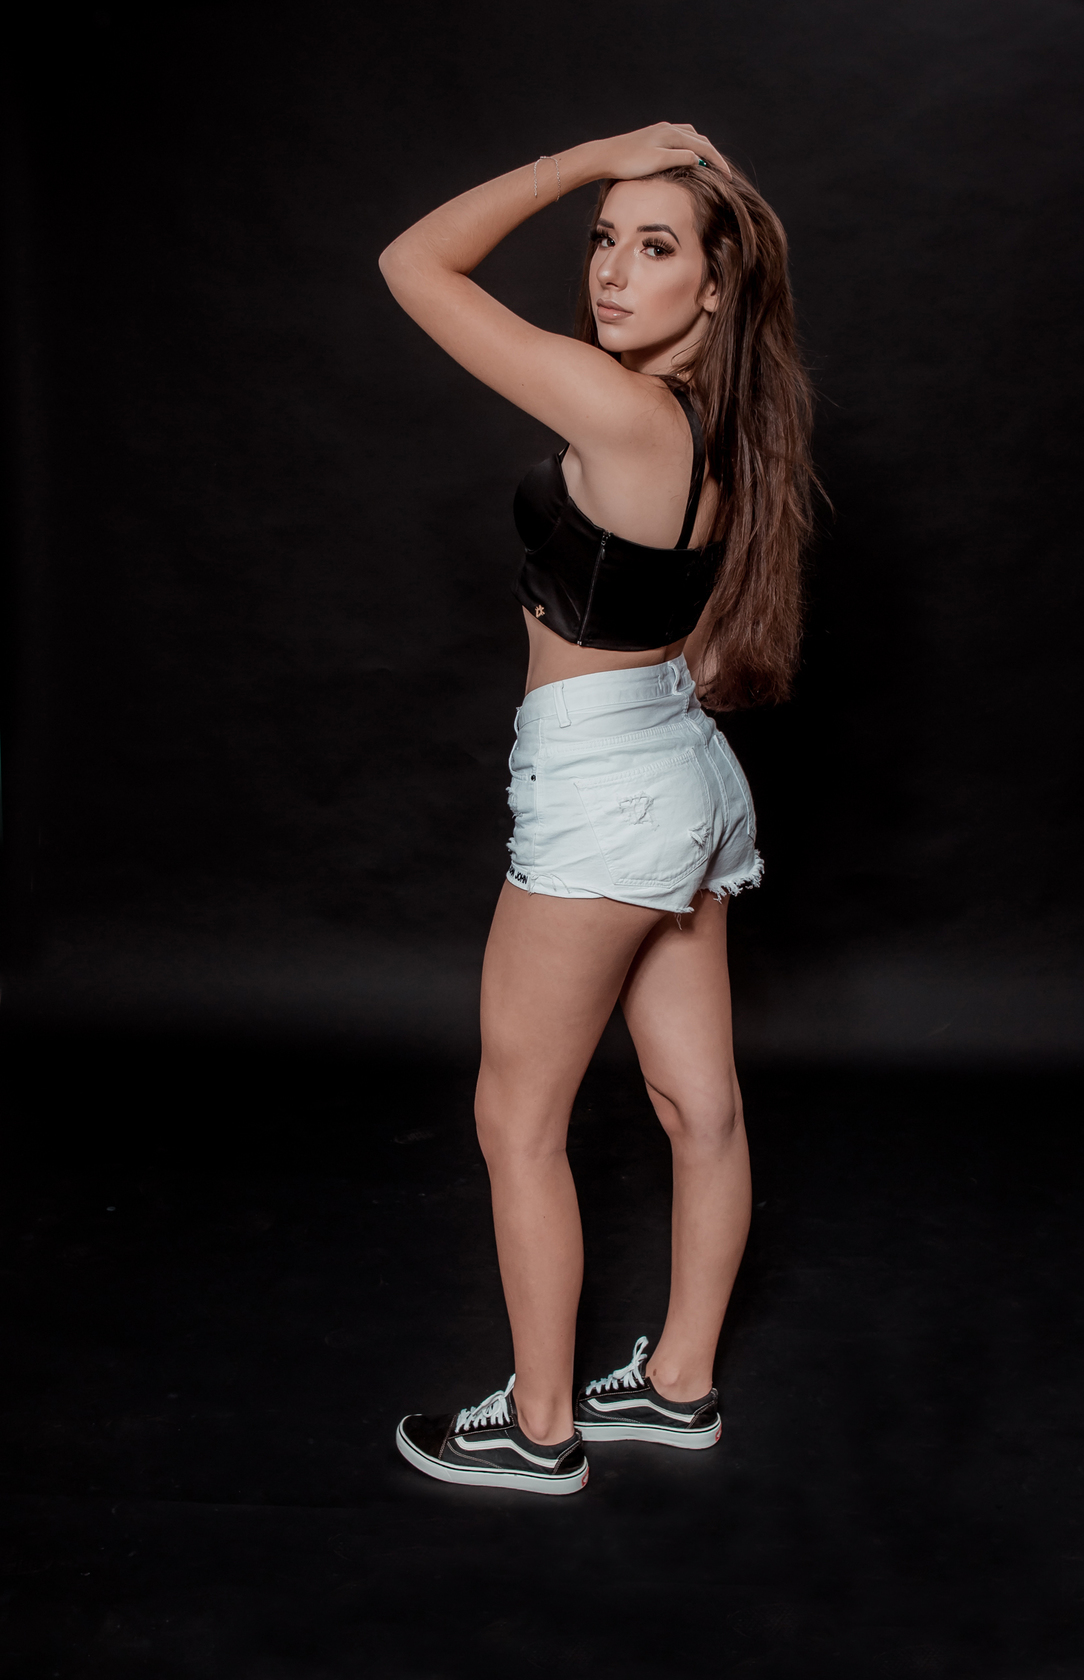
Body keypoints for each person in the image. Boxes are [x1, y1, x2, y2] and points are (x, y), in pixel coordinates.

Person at [379, 123, 818, 1495]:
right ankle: (679, 1388)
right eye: (603, 239)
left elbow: (412, 264)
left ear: (716, 284)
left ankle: (540, 1426)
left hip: (602, 785)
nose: (613, 272)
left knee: (516, 1120)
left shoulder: (619, 409)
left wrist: (587, 160)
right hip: (681, 764)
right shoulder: (730, 428)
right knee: (702, 1106)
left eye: (654, 245)